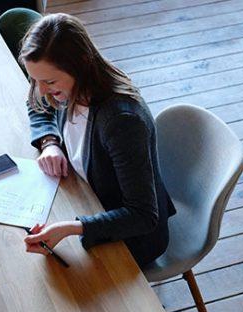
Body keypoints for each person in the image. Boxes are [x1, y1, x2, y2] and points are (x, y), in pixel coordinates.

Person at [20, 13, 175, 267]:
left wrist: (73, 228)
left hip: (131, 236)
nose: (41, 89)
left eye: (49, 81)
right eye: (35, 80)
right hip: (86, 197)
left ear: (80, 64)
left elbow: (143, 216)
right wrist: (50, 142)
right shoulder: (65, 82)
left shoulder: (121, 122)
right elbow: (37, 103)